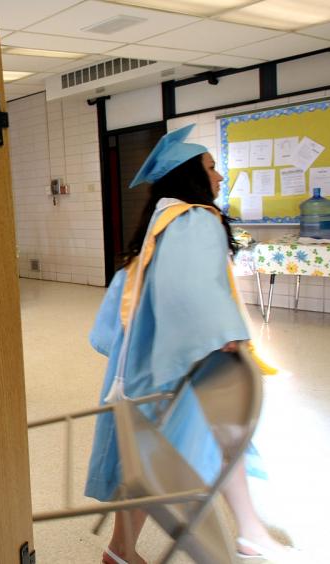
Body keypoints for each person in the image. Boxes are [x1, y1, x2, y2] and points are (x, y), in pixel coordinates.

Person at [85, 125, 293, 564]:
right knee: (216, 439)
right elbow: (189, 289)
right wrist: (224, 334)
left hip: (148, 359)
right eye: (212, 168)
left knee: (150, 459)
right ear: (190, 176)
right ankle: (247, 534)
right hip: (184, 359)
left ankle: (122, 552)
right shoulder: (195, 219)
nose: (219, 178)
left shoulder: (157, 226)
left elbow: (115, 314)